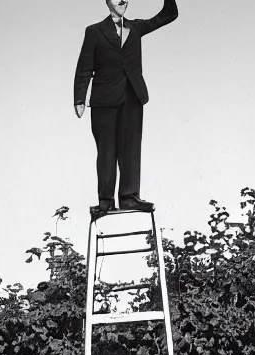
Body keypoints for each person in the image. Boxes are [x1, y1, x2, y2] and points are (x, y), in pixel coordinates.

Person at [74, 0, 179, 214]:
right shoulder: (94, 31)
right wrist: (79, 98)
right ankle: (105, 200)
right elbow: (84, 66)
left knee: (130, 148)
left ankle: (129, 196)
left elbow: (169, 14)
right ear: (107, 1)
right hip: (104, 100)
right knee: (106, 151)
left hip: (132, 97)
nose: (122, 0)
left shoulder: (136, 27)